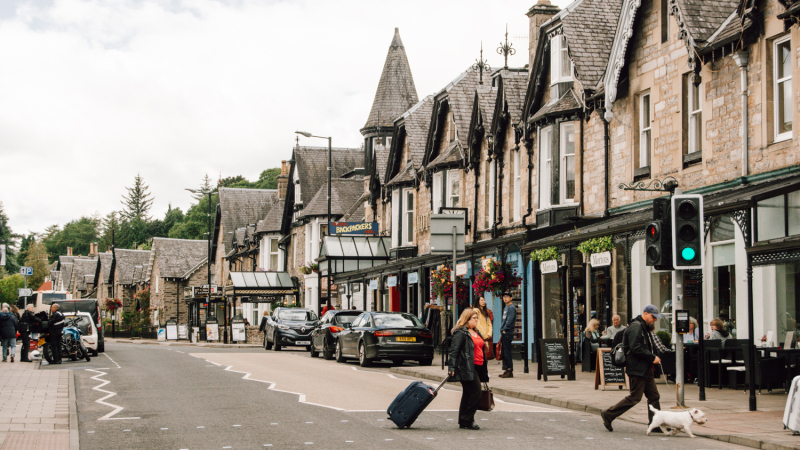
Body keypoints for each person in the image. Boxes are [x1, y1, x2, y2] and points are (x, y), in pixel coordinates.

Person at [601, 304, 663, 433]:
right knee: (635, 397)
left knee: (654, 396)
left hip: (645, 368)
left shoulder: (643, 327)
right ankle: (609, 414)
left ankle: (655, 424)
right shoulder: (636, 327)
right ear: (645, 313)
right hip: (637, 368)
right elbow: (635, 348)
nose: (655, 320)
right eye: (653, 317)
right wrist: (652, 357)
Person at [447, 308, 488, 430]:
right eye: (474, 318)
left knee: (467, 393)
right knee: (476, 393)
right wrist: (451, 367)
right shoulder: (461, 333)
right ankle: (468, 419)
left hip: (478, 366)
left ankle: (463, 420)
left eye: (477, 318)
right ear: (467, 319)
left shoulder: (476, 332)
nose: (476, 320)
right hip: (466, 367)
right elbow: (454, 351)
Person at [499, 292, 516, 378]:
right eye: (504, 296)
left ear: (511, 298)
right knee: (505, 352)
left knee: (507, 352)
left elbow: (509, 321)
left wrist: (504, 330)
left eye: (507, 297)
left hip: (508, 332)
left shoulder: (511, 308)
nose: (505, 298)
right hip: (504, 332)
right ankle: (507, 369)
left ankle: (510, 370)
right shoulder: (506, 307)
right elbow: (504, 321)